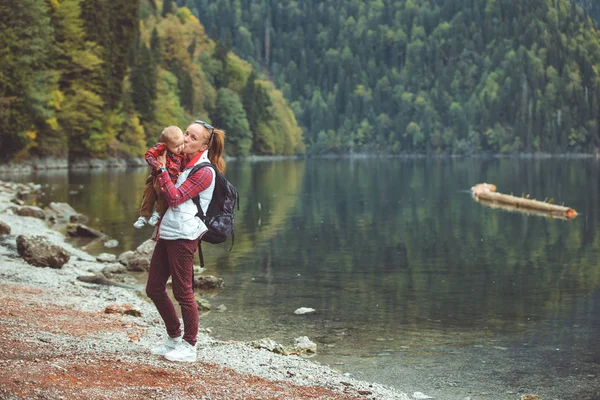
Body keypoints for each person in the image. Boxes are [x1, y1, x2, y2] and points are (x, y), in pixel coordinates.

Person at [145, 120, 226, 363]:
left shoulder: (205, 171)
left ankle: (190, 346)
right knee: (154, 288)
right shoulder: (179, 162)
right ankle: (173, 337)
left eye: (192, 137)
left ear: (203, 144)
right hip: (169, 232)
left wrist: (160, 171)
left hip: (185, 236)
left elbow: (176, 197)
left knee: (183, 291)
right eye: (186, 134)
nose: (186, 139)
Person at [133, 126, 185, 229]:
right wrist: (158, 165)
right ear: (166, 145)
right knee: (149, 194)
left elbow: (183, 165)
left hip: (170, 179)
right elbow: (148, 155)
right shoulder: (161, 148)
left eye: (181, 144)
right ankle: (143, 216)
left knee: (163, 195)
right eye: (176, 146)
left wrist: (181, 172)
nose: (180, 148)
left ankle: (157, 214)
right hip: (156, 177)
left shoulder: (182, 153)